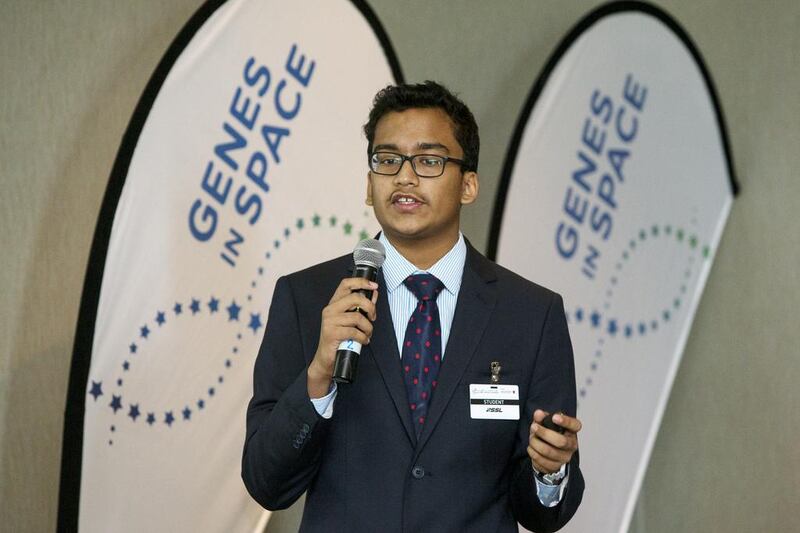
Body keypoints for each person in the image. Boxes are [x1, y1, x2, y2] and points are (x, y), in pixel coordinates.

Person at [242, 81, 584, 532]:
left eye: (428, 160)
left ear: (468, 185)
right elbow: (267, 484)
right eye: (388, 160)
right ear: (369, 185)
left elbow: (543, 515)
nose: (405, 177)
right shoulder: (307, 299)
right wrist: (319, 376)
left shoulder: (530, 314)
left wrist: (549, 471)